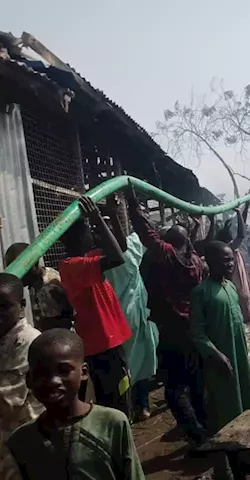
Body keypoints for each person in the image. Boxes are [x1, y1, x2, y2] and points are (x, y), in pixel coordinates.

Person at [126, 186, 208, 445]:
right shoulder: (195, 261)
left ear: (170, 244)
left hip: (173, 329)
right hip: (194, 328)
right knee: (195, 380)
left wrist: (133, 207)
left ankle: (196, 435)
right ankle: (205, 427)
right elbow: (188, 244)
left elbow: (148, 236)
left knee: (174, 388)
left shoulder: (171, 258)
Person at [7, 329, 145, 479]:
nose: (53, 381)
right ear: (29, 380)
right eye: (42, 373)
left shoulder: (112, 424)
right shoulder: (21, 441)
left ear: (84, 372)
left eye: (64, 371)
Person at [190, 241, 250, 478]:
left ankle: (246, 456)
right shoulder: (201, 293)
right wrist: (216, 354)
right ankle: (226, 468)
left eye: (231, 259)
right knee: (223, 413)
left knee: (246, 405)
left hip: (239, 358)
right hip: (220, 364)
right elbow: (197, 333)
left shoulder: (230, 287)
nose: (229, 264)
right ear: (210, 262)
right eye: (224, 260)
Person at [59, 196, 132, 418]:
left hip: (108, 341)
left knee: (120, 391)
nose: (94, 233)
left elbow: (121, 247)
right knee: (115, 398)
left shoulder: (86, 259)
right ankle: (119, 435)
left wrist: (111, 214)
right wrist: (98, 218)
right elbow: (118, 258)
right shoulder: (73, 266)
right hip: (102, 344)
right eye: (89, 230)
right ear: (81, 237)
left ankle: (121, 429)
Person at [103, 197, 160, 421]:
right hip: (135, 313)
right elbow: (145, 233)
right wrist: (120, 212)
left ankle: (131, 406)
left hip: (116, 316)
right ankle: (142, 405)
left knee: (126, 362)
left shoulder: (99, 258)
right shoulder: (129, 251)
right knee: (141, 361)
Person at [0, 273, 44, 479]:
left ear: (22, 304)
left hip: (26, 441)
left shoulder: (29, 342)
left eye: (4, 307)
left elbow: (9, 401)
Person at [4, 243, 73, 331]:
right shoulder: (42, 277)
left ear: (34, 265)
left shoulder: (46, 289)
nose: (17, 274)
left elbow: (57, 326)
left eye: (20, 269)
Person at [215, 206, 250, 323]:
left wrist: (244, 211)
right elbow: (241, 234)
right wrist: (238, 213)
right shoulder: (229, 248)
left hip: (232, 286)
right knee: (243, 311)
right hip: (237, 285)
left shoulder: (219, 249)